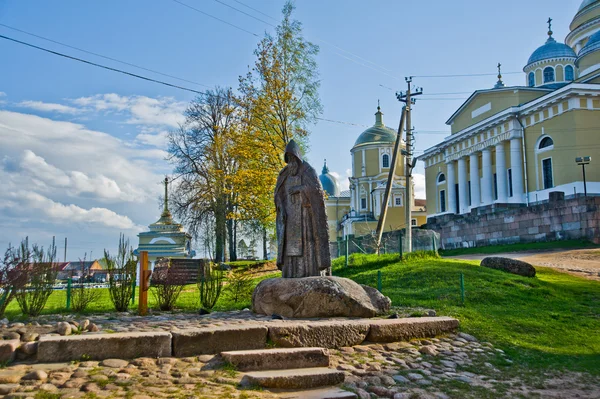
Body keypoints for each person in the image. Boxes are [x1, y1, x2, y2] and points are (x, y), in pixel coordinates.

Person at [274, 140, 331, 277]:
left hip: (306, 217)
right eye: (289, 159)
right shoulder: (284, 174)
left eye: (294, 159)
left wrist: (300, 189)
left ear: (298, 158)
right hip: (290, 217)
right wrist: (281, 207)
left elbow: (317, 191)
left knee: (308, 243)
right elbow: (277, 194)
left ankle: (310, 271)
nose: (291, 163)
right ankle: (290, 273)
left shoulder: (308, 171)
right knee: (290, 246)